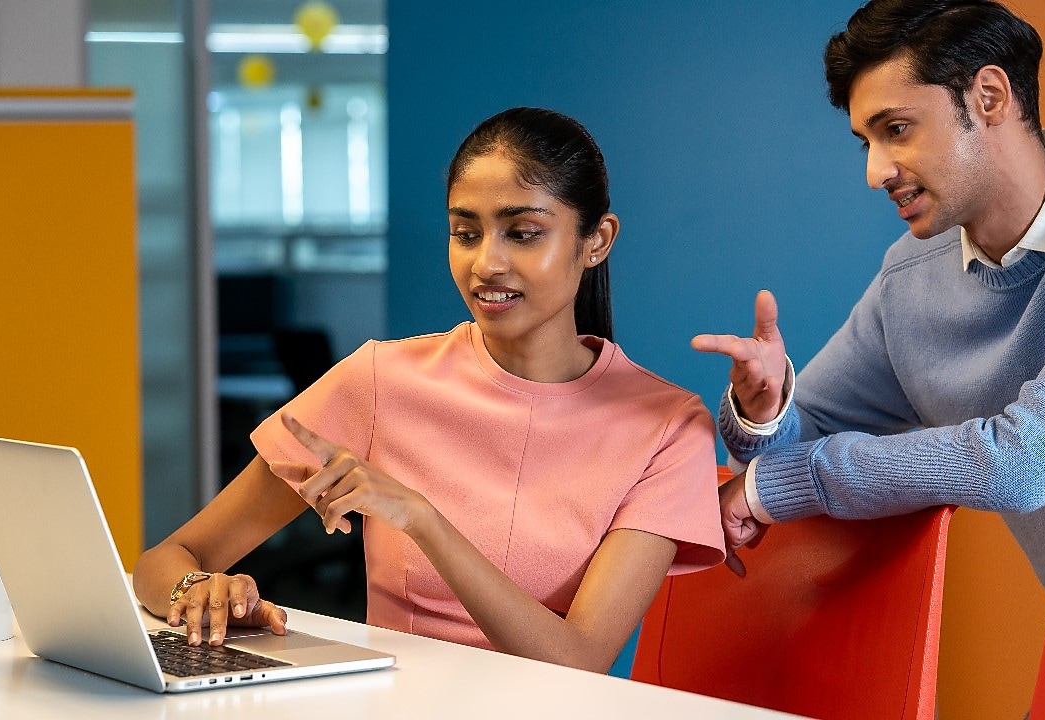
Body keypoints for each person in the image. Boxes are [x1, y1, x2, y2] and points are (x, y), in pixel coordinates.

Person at [134, 107, 725, 673]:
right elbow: (162, 563)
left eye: (522, 233)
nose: (487, 263)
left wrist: (422, 519)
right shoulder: (379, 380)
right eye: (465, 233)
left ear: (595, 241)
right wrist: (199, 591)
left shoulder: (668, 427)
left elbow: (578, 660)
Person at [693, 0, 1045, 590]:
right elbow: (792, 448)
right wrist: (766, 414)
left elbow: (1026, 462)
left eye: (896, 130)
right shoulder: (912, 277)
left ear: (989, 98)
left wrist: (781, 488)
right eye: (866, 142)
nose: (875, 171)